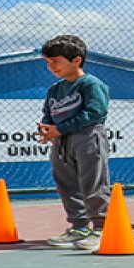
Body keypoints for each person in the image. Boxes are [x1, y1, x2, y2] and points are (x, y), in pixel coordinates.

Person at [38, 35, 111, 250]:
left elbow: (96, 113)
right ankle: (79, 227)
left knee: (93, 183)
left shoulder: (91, 84)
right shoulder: (55, 89)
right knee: (66, 183)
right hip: (61, 142)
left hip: (88, 137)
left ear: (76, 60)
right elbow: (48, 112)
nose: (51, 66)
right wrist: (46, 128)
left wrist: (60, 128)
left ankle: (101, 228)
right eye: (48, 62)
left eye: (56, 61)